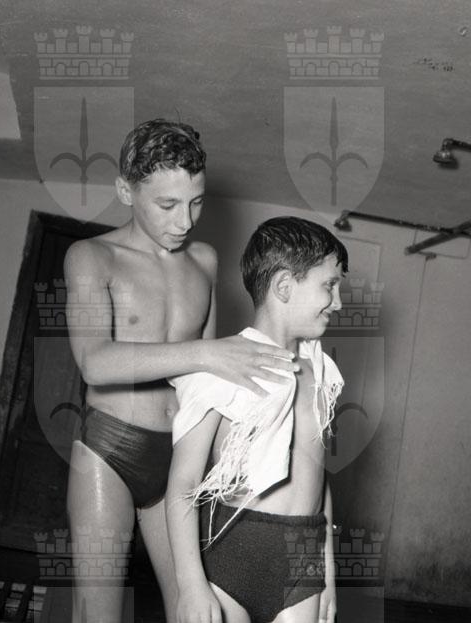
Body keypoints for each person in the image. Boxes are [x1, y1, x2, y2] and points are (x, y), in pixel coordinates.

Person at [64, 119, 298, 623]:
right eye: (167, 205)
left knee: (195, 611)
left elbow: (204, 380)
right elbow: (94, 362)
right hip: (110, 448)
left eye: (196, 202)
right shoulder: (91, 257)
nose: (185, 221)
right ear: (125, 191)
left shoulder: (205, 261)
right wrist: (208, 353)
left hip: (177, 457)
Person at [167, 216, 348, 623]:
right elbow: (183, 482)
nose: (337, 302)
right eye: (329, 285)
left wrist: (327, 574)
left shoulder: (320, 370)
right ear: (284, 286)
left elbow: (318, 476)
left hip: (301, 560)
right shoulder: (221, 366)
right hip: (232, 553)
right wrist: (191, 585)